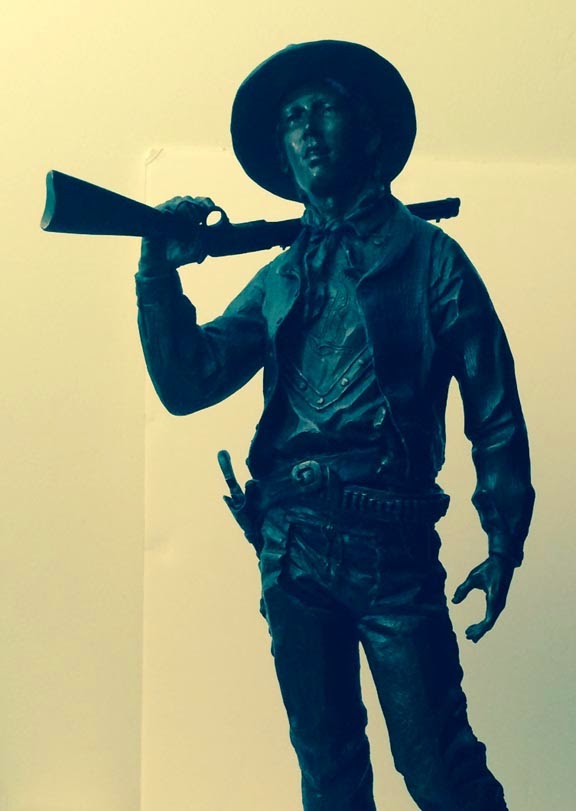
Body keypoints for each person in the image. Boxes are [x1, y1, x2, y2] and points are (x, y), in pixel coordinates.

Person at [135, 40, 534, 811]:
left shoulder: (432, 260)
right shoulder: (281, 276)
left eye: (323, 110)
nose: (307, 130)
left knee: (440, 769)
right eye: (292, 119)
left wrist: (503, 537)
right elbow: (189, 380)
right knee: (328, 776)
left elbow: (494, 410)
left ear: (370, 132)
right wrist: (156, 273)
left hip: (391, 544)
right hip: (292, 547)